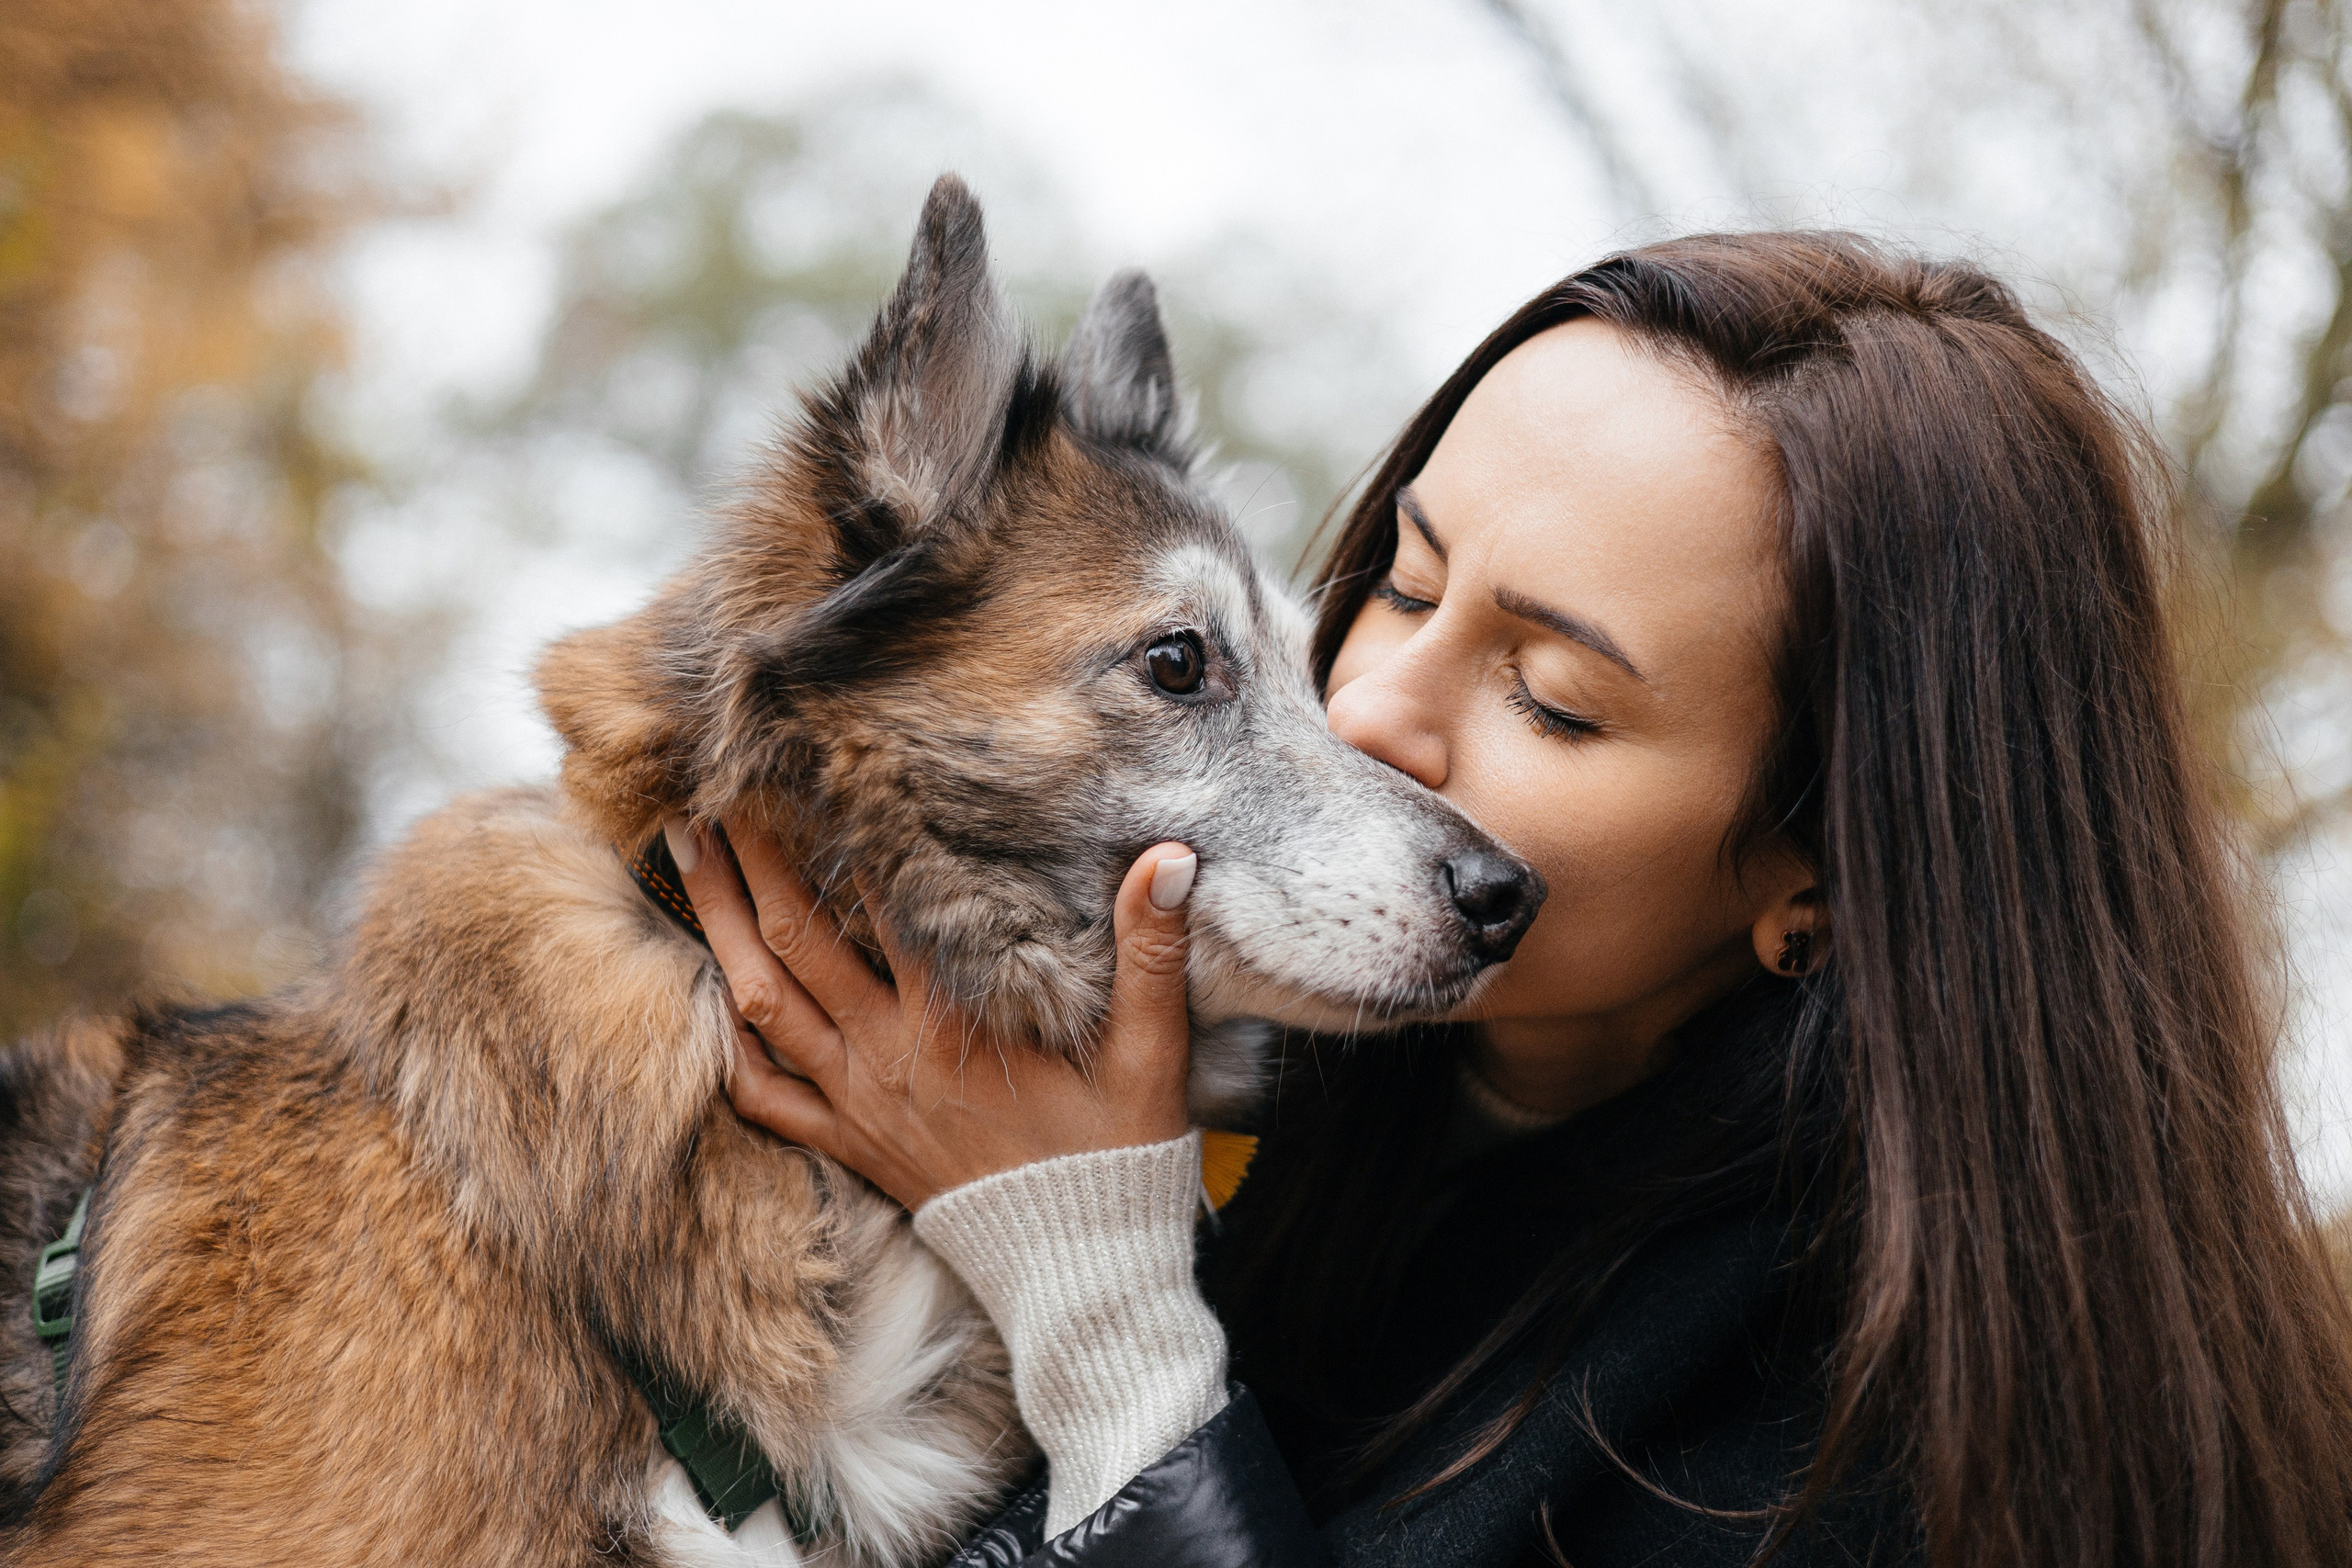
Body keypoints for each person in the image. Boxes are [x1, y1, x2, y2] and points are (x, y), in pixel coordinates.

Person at [671, 232, 2352, 1567]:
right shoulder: (1236, 1076)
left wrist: (1098, 1300)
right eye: (1402, 581)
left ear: (1823, 867)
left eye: (1551, 694)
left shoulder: (1922, 1463)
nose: (1368, 714)